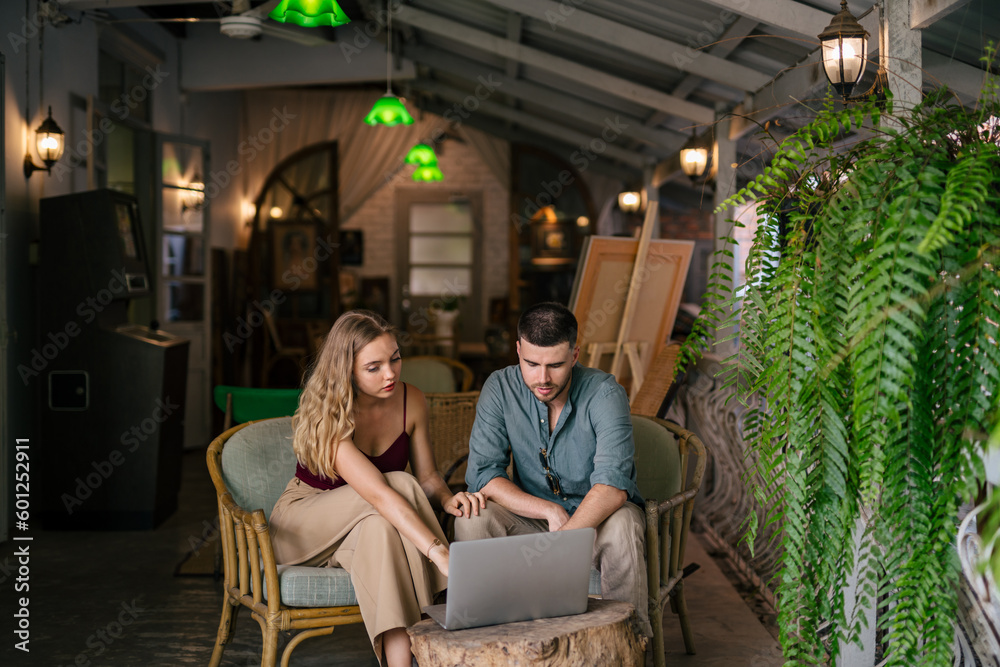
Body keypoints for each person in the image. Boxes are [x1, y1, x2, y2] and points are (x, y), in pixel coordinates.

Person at [270, 310, 486, 667]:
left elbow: (428, 475)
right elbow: (380, 494)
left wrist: (448, 499)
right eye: (374, 367)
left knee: (380, 530)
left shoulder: (411, 399)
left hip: (369, 520)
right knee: (399, 482)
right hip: (302, 524)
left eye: (395, 358)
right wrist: (439, 552)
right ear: (347, 370)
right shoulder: (330, 414)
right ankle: (453, 593)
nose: (390, 373)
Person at [454, 302, 651, 637]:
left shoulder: (605, 393)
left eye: (556, 365)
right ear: (518, 350)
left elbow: (613, 485)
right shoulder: (499, 388)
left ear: (575, 355)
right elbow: (485, 474)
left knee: (624, 523)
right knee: (474, 518)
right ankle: (486, 641)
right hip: (533, 519)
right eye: (531, 363)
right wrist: (548, 510)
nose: (542, 378)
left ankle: (627, 642)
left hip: (597, 522)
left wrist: (566, 539)